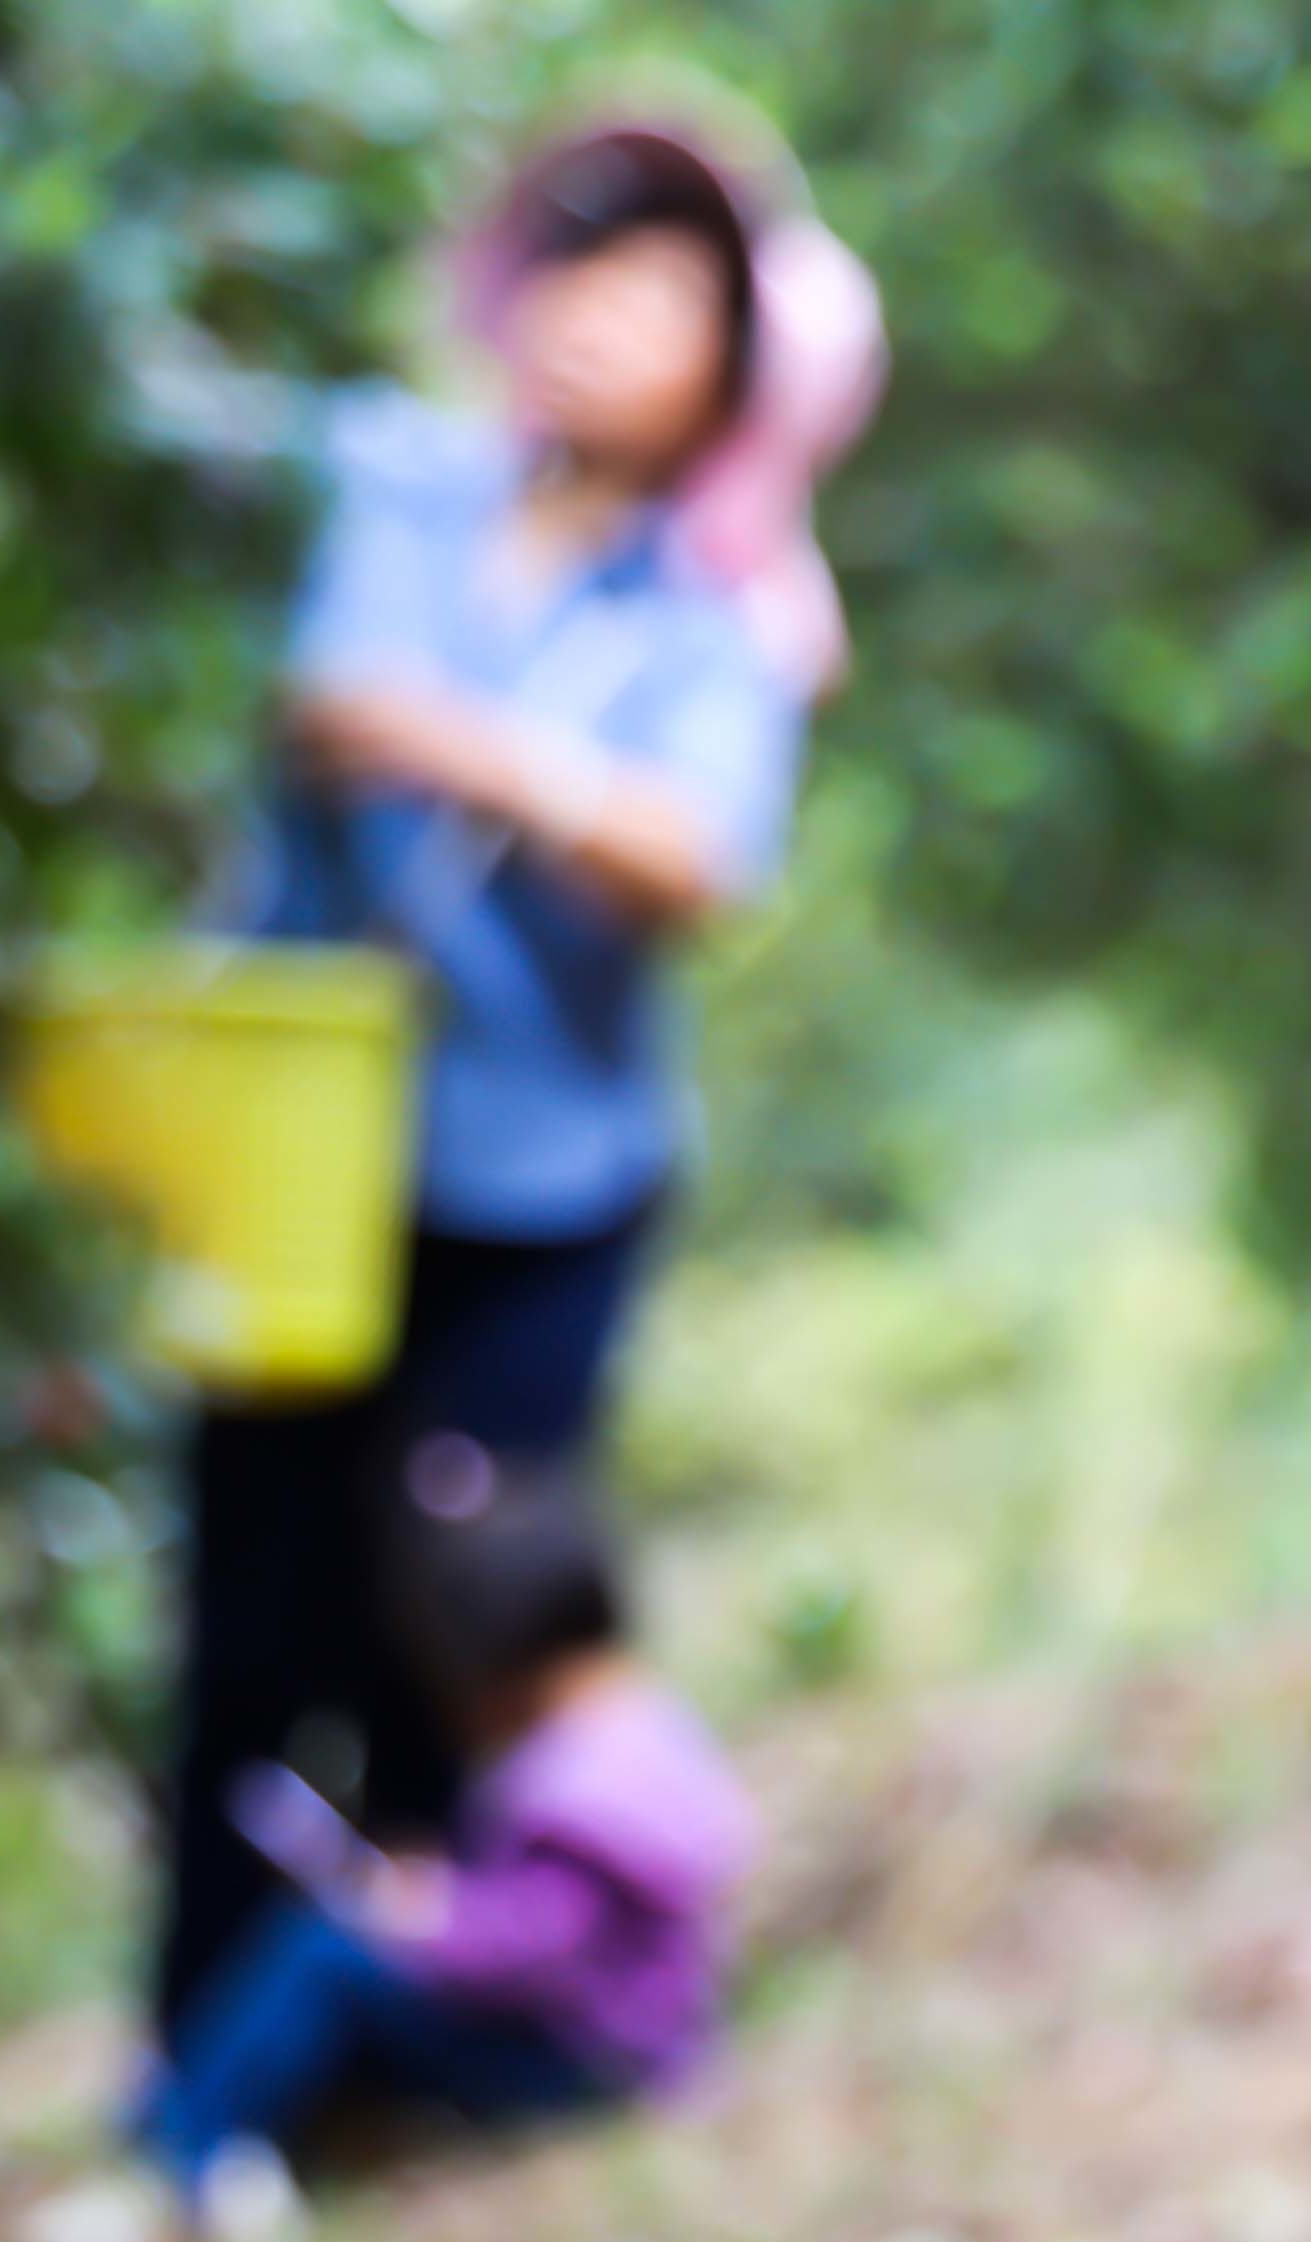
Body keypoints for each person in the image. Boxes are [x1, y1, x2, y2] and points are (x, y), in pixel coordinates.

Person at [154, 116, 880, 2039]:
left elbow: (695, 859)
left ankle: (444, 2021)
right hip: (303, 1160)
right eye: (586, 272)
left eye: (667, 301)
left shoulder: (710, 611)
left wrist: (475, 755)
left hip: (545, 1183)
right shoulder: (393, 487)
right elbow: (325, 692)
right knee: (252, 1619)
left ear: (731, 369)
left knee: (470, 1608)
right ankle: (209, 2054)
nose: (600, 327)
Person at [53, 1488, 757, 2242]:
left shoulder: (577, 1781)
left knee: (323, 1956)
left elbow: (537, 1945)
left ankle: (184, 2151)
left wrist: (421, 1913)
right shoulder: (641, 1725)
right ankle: (217, 2127)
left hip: (591, 2058)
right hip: (634, 2033)